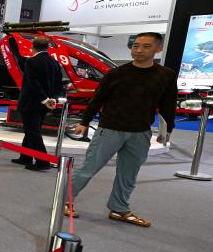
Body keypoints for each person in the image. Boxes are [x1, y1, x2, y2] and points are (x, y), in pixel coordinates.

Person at [65, 32, 176, 227]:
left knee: (128, 174)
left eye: (146, 46)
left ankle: (119, 208)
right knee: (88, 169)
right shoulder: (116, 73)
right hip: (110, 129)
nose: (138, 50)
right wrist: (85, 122)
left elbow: (168, 103)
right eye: (135, 46)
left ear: (158, 49)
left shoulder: (166, 75)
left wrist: (167, 129)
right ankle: (65, 201)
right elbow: (98, 99)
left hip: (141, 132)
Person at [13, 36, 63, 171]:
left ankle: (43, 161)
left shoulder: (31, 62)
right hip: (45, 104)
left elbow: (33, 83)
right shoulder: (55, 62)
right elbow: (59, 84)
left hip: (31, 102)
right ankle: (26, 156)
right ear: (47, 48)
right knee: (31, 130)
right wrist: (52, 99)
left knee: (33, 132)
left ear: (33, 47)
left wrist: (45, 99)